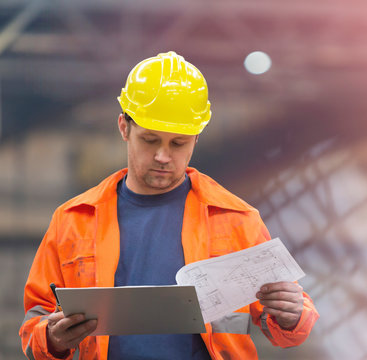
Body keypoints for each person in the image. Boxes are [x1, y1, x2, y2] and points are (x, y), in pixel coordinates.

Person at [19, 51, 319, 359]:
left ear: (196, 137)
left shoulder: (237, 219)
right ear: (124, 127)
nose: (163, 156)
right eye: (150, 140)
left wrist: (292, 313)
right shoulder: (72, 220)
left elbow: (286, 326)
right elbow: (35, 324)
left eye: (178, 143)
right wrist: (52, 337)